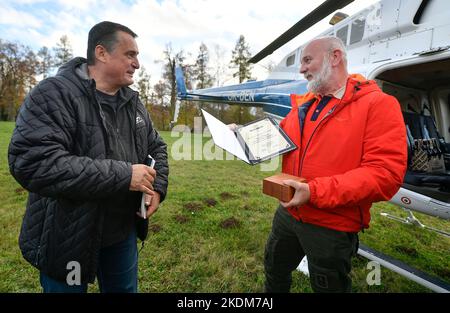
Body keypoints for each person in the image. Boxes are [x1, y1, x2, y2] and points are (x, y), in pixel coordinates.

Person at [8, 21, 169, 293]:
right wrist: (124, 175)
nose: (137, 64)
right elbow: (33, 163)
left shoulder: (134, 103)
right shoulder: (54, 94)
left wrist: (158, 187)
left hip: (122, 234)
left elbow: (157, 147)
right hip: (69, 237)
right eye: (130, 55)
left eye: (137, 56)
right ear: (102, 53)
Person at [264, 36, 407, 293]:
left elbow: (385, 175)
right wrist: (241, 137)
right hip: (287, 213)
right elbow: (277, 140)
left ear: (335, 57)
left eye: (307, 60)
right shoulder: (304, 105)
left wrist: (315, 191)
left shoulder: (379, 105)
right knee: (274, 271)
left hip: (331, 225)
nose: (301, 69)